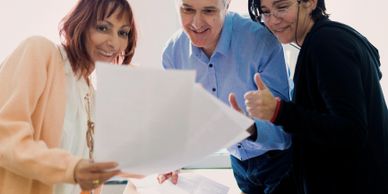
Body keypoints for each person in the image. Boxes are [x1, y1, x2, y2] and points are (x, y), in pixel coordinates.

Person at [244, 0, 388, 193]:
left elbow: (351, 131)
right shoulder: (325, 41)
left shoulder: (327, 44)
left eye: (282, 7)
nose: (273, 21)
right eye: (266, 12)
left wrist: (279, 111)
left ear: (310, 2)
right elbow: (313, 148)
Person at [158, 0, 296, 194]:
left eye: (208, 11)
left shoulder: (261, 42)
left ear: (227, 5)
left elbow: (284, 132)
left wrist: (248, 127)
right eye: (187, 10)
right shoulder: (173, 53)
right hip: (237, 161)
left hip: (279, 162)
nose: (196, 23)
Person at [0, 0, 138, 194]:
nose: (114, 42)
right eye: (103, 28)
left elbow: (99, 169)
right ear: (80, 24)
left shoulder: (91, 95)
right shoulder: (40, 52)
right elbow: (4, 137)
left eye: (123, 32)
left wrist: (163, 166)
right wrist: (72, 169)